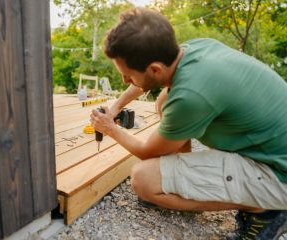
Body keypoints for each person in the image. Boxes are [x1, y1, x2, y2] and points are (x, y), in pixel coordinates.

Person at [90, 7, 287, 239]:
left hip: (277, 174)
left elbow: (147, 152)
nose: (125, 80)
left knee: (143, 179)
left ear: (154, 68)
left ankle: (264, 211)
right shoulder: (195, 48)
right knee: (165, 98)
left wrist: (110, 129)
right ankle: (185, 174)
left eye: (128, 75)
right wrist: (117, 106)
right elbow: (147, 79)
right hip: (273, 148)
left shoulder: (190, 97)